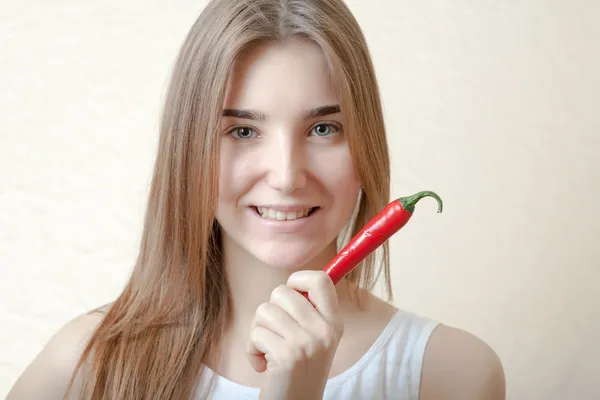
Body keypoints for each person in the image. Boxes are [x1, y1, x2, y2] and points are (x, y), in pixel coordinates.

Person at [7, 0, 506, 399]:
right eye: (243, 130)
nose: (287, 176)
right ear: (188, 149)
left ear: (366, 145)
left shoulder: (451, 375)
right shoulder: (84, 365)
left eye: (324, 128)